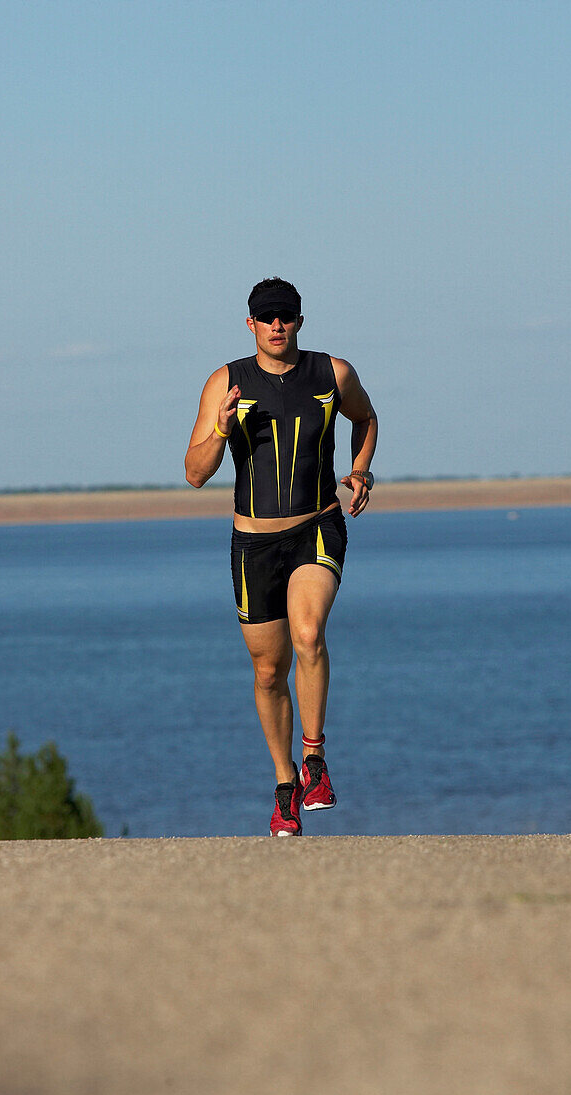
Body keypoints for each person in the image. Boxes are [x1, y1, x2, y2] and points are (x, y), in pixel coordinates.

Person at [185, 277, 377, 836]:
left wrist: (360, 468)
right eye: (266, 317)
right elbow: (195, 474)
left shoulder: (332, 374)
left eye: (286, 317)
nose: (276, 325)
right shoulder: (226, 382)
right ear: (250, 324)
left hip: (316, 527)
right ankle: (285, 782)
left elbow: (366, 418)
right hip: (253, 544)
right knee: (269, 672)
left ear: (299, 320)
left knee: (309, 632)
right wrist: (220, 429)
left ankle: (316, 761)